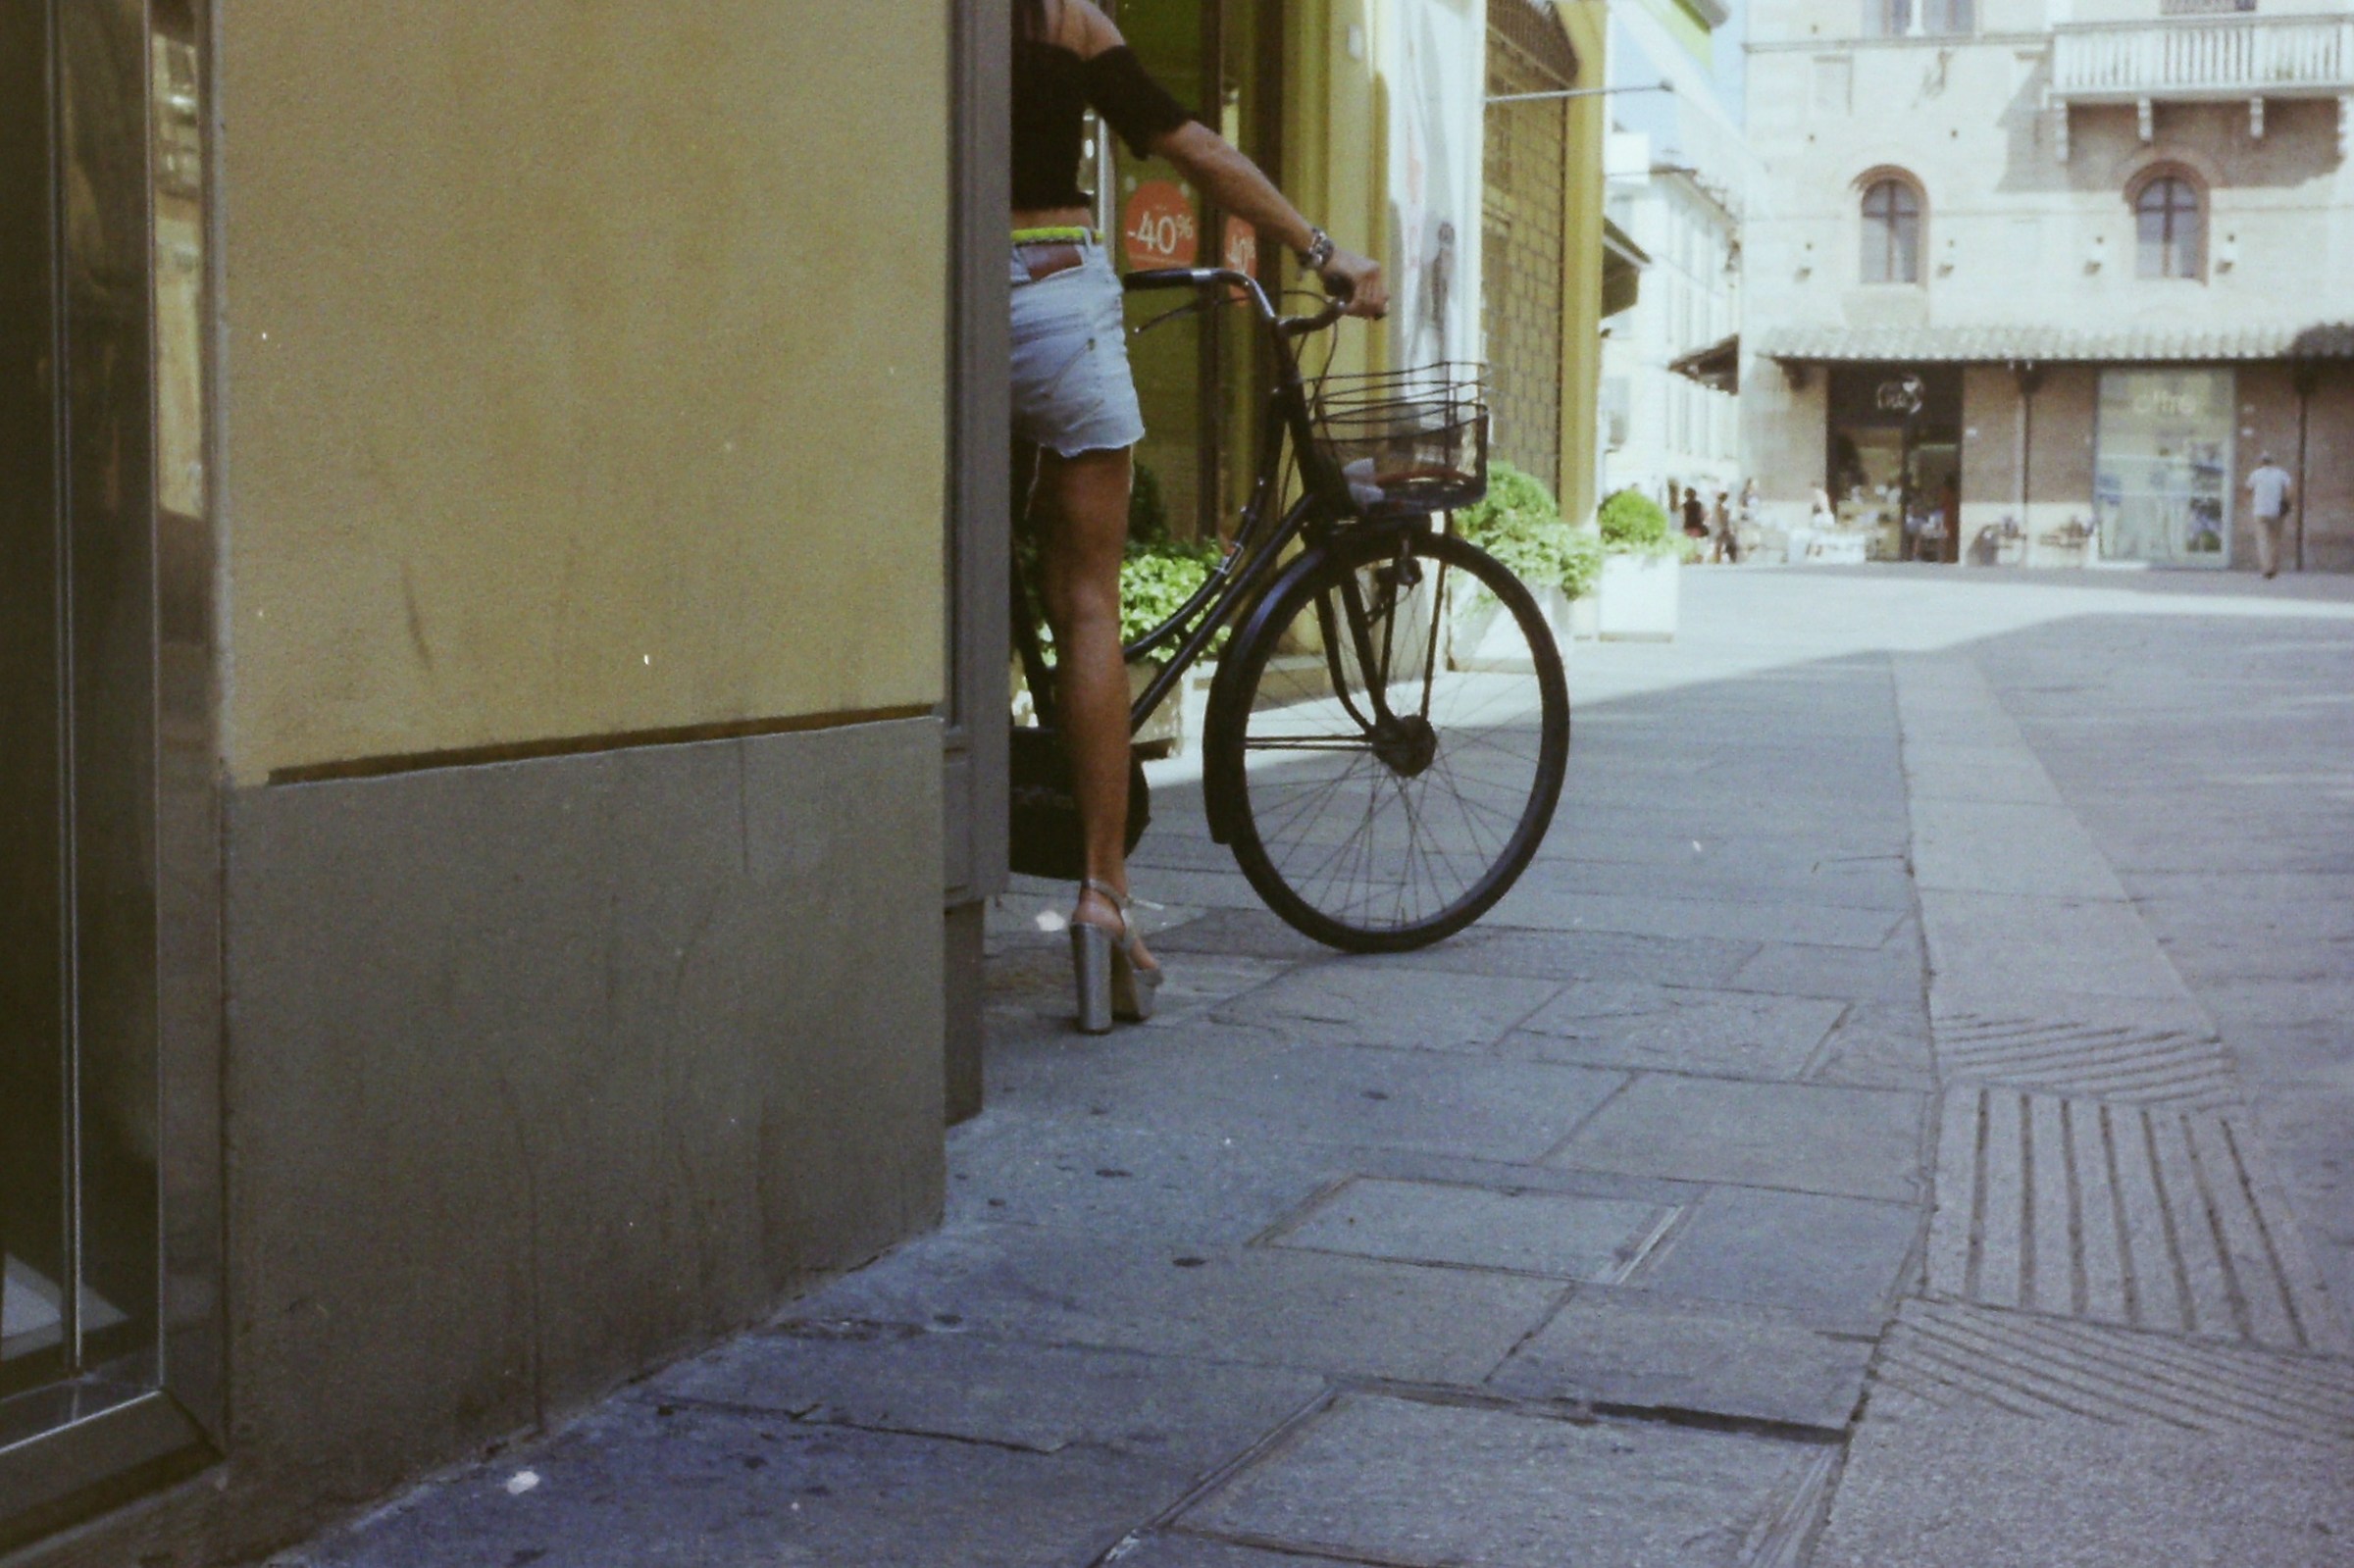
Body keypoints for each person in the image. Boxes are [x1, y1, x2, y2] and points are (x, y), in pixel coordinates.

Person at [1011, 0, 1385, 1032]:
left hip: (945, 294)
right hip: (1050, 292)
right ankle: (1101, 895)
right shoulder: (1068, 23)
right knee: (1084, 601)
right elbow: (1193, 147)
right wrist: (1321, 250)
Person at [2246, 452, 2294, 578]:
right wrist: (2286, 502)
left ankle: (2265, 567)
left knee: (2262, 540)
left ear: (2261, 462)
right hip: (2276, 511)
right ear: (2273, 462)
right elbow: (2290, 490)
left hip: (2260, 511)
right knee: (2275, 540)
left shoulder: (2255, 474)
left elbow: (2248, 490)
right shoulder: (2281, 474)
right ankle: (2274, 566)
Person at [1710, 488, 1739, 563]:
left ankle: (1718, 560)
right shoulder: (1720, 506)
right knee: (1724, 544)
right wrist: (1725, 527)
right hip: (1721, 528)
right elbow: (1722, 518)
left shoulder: (1718, 506)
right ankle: (1726, 559)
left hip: (1719, 528)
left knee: (1720, 545)